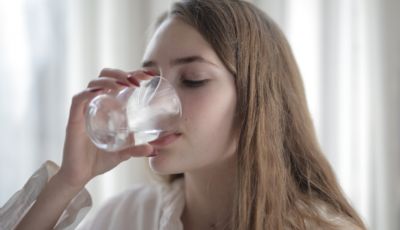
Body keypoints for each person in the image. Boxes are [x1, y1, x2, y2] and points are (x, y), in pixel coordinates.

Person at [1, 0, 366, 229]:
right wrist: (68, 181)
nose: (154, 103)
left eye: (192, 80)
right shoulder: (129, 217)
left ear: (257, 100)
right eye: (151, 81)